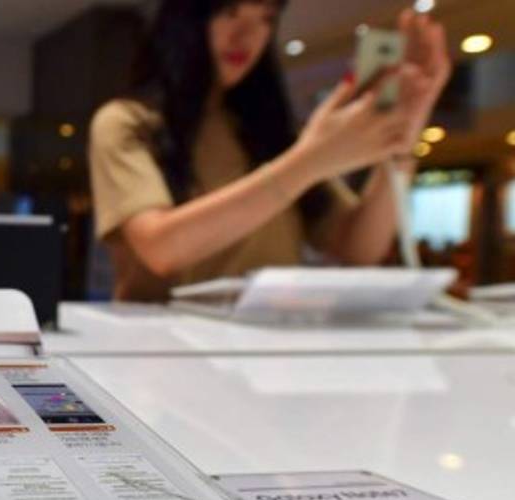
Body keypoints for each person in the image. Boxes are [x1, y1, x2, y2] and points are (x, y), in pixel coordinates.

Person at [88, 0, 451, 302]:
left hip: (270, 347)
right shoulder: (126, 122)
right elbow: (162, 249)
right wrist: (309, 160)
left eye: (265, 18)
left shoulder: (268, 132)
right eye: (230, 12)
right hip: (164, 350)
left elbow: (359, 247)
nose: (247, 36)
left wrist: (404, 140)